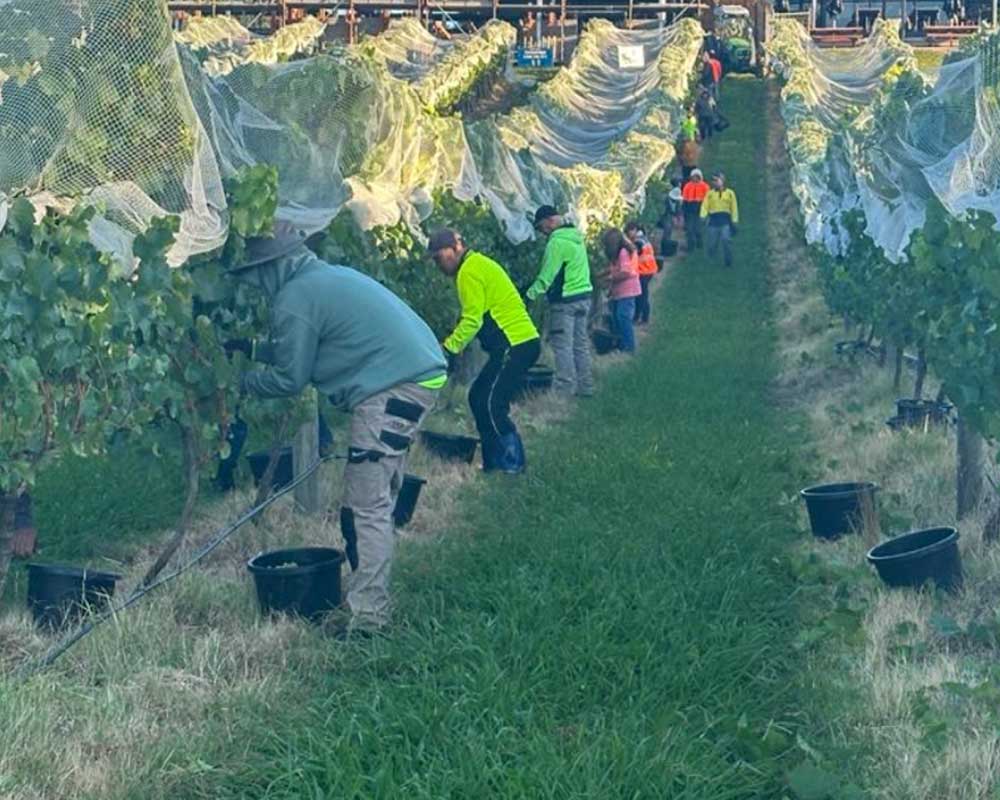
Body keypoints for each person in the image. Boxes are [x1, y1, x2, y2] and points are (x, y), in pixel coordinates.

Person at [231, 221, 448, 638]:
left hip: (392, 385)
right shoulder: (322, 279)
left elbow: (291, 378)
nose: (254, 283)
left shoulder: (293, 297)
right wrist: (254, 348)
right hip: (417, 375)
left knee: (367, 504)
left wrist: (238, 382)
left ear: (272, 267)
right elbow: (309, 343)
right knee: (372, 493)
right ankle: (368, 590)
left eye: (256, 273)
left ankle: (369, 621)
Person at [428, 228, 540, 475]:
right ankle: (492, 463)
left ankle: (513, 465)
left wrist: (449, 347)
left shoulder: (468, 271)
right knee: (478, 397)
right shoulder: (477, 264)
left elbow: (472, 320)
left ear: (456, 248)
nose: (438, 265)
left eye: (440, 257)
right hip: (519, 342)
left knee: (491, 403)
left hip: (515, 343)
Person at [525, 206, 594, 397]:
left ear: (549, 221)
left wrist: (528, 295)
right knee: (580, 344)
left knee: (562, 345)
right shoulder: (576, 237)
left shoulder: (556, 243)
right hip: (584, 297)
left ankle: (564, 389)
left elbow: (547, 277)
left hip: (565, 302)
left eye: (541, 227)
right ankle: (585, 386)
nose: (542, 232)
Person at [601, 229, 641, 353]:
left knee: (623, 317)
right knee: (617, 317)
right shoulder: (618, 254)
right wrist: (601, 274)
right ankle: (621, 344)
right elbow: (614, 268)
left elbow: (625, 272)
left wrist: (610, 278)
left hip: (627, 291)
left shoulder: (623, 252)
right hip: (619, 292)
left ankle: (629, 347)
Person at [700, 171, 739, 267]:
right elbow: (705, 205)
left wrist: (734, 220)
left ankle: (728, 261)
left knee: (726, 240)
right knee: (712, 243)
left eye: (717, 180)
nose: (714, 182)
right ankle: (711, 259)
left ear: (722, 181)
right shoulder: (710, 194)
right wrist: (703, 215)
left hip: (725, 220)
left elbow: (734, 207)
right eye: (713, 180)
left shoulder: (730, 193)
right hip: (713, 220)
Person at [625, 221, 657, 325]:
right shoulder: (643, 238)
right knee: (642, 294)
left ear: (634, 229)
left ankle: (641, 317)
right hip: (649, 269)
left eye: (629, 232)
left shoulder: (638, 241)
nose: (628, 234)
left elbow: (633, 252)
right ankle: (642, 316)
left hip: (644, 271)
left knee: (641, 295)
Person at [681, 169, 710, 252]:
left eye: (697, 177)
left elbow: (708, 199)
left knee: (698, 229)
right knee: (689, 229)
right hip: (689, 209)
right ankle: (690, 246)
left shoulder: (705, 186)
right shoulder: (688, 186)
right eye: (693, 177)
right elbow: (684, 198)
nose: (695, 178)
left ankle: (699, 245)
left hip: (700, 208)